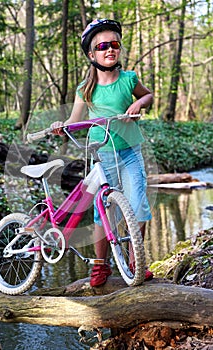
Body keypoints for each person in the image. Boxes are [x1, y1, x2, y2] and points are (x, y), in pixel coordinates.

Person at [51, 19, 154, 287]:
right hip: (103, 154)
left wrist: (139, 104)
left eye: (115, 44)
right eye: (103, 46)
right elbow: (74, 121)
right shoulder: (85, 90)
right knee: (104, 208)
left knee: (137, 203)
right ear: (92, 54)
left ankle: (136, 260)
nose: (110, 49)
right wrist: (61, 127)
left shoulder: (128, 79)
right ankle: (101, 265)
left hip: (130, 150)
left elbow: (148, 96)